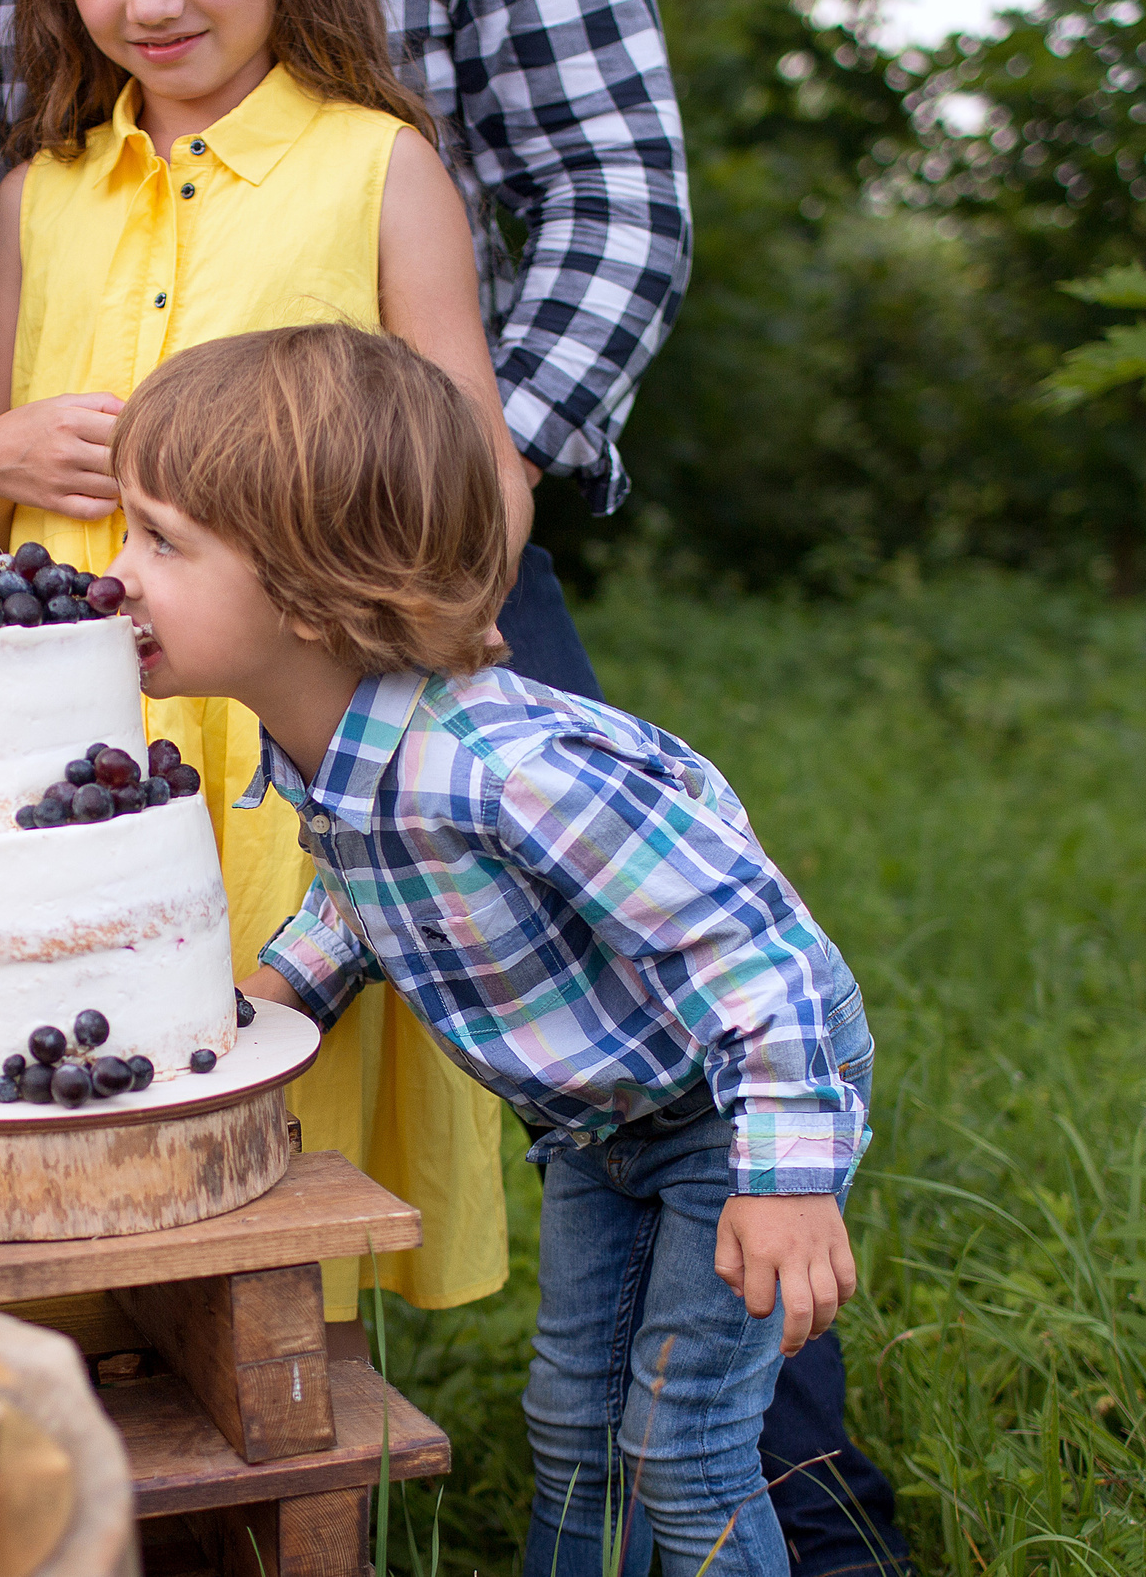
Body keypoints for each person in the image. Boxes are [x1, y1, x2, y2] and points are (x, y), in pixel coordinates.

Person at [104, 324, 876, 1577]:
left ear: (308, 594)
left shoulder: (503, 768)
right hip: (605, 1118)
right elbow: (366, 900)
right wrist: (261, 1006)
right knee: (569, 1425)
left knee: (681, 1451)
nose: (114, 573)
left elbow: (750, 943)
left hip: (737, 1097)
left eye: (161, 541)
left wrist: (782, 1175)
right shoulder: (332, 752)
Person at [0, 0, 524, 1327]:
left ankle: (274, 1416)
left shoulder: (375, 166)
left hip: (275, 739)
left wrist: (434, 628)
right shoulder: (37, 194)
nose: (154, 4)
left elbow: (477, 469)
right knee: (68, 1061)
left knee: (266, 1093)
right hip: (69, 727)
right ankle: (90, 1416)